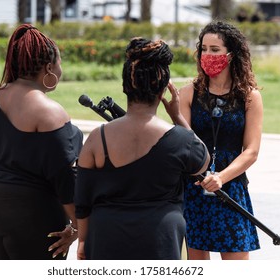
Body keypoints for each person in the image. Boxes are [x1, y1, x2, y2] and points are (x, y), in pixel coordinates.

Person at [74, 37, 210, 260]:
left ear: (126, 86)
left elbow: (82, 198)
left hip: (107, 236)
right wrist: (177, 116)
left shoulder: (98, 138)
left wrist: (82, 240)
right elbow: (203, 162)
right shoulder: (179, 139)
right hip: (160, 238)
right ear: (163, 90)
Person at [0, 24, 83, 260]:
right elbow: (65, 179)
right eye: (60, 64)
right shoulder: (51, 113)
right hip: (29, 212)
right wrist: (77, 228)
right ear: (49, 68)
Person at [167, 21, 263, 260]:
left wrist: (221, 177)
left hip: (230, 186)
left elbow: (251, 151)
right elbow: (184, 143)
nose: (207, 55)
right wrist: (175, 115)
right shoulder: (189, 92)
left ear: (231, 55)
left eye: (215, 49)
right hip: (195, 186)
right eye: (204, 49)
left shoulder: (249, 96)